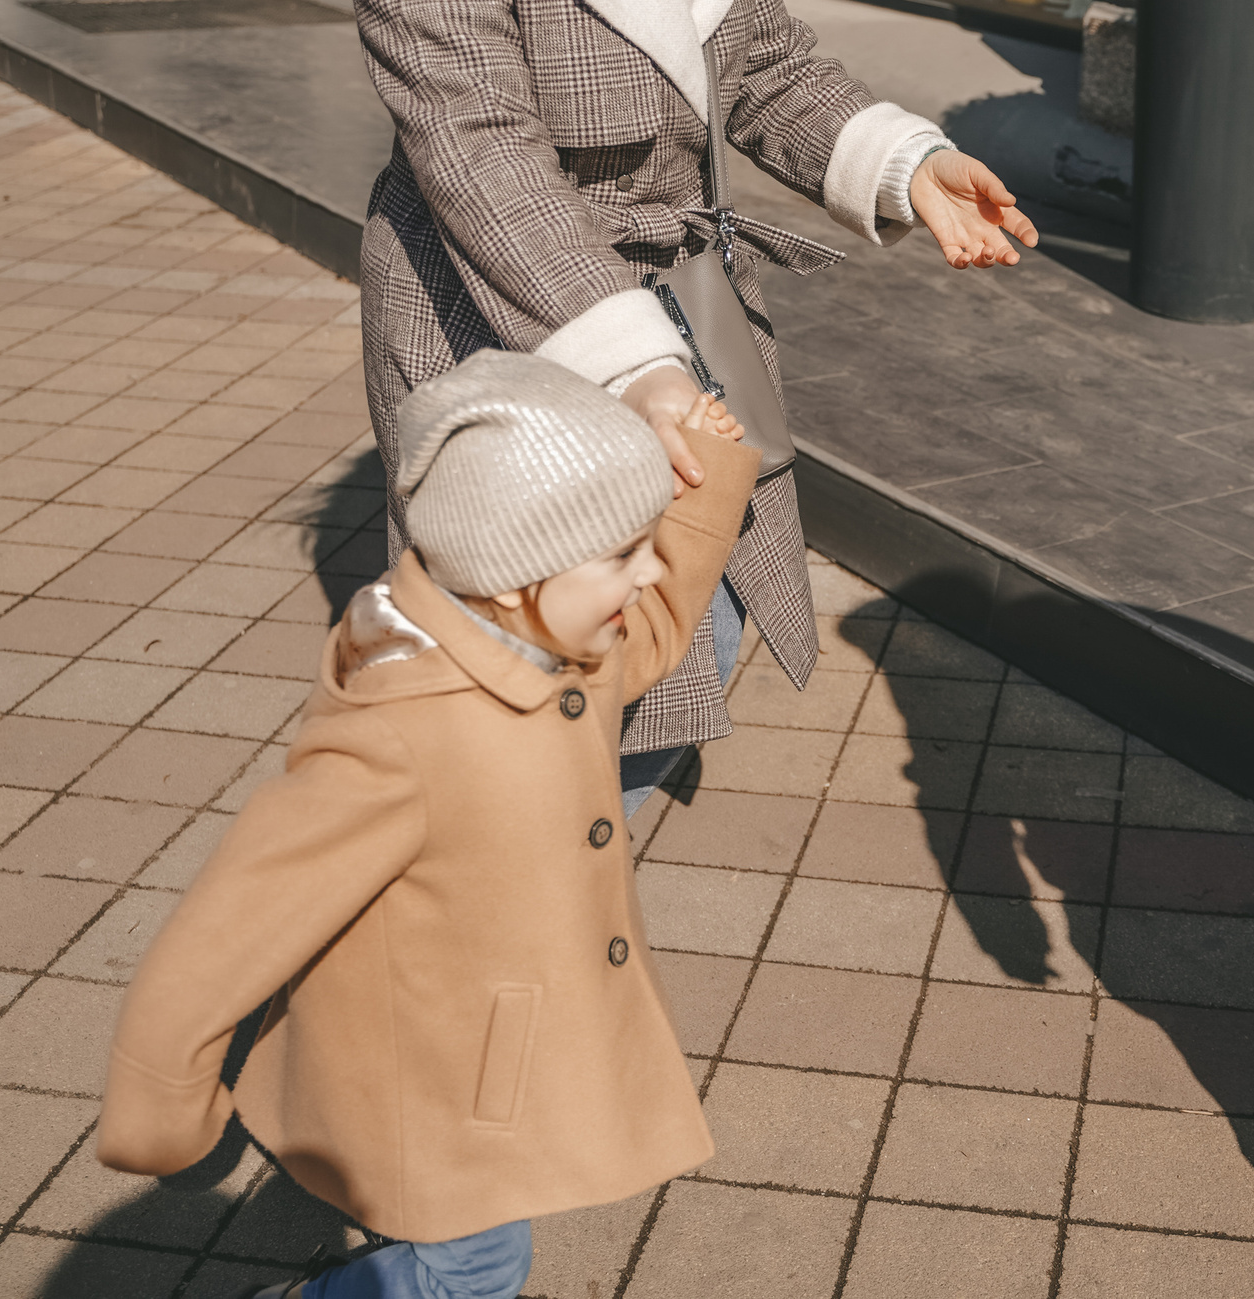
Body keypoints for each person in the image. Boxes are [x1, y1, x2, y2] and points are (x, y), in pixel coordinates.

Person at [288, 0, 1041, 821]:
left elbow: (764, 66)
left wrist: (902, 161)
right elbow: (478, 155)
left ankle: (560, 918)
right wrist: (635, 367)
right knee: (552, 685)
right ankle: (508, 946)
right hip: (511, 317)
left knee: (696, 617)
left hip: (678, 309)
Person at [96, 352, 758, 1299]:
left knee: (471, 1263)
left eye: (649, 541)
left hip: (489, 1055)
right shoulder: (399, 737)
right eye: (622, 553)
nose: (649, 570)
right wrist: (161, 1101)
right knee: (476, 1270)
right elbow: (229, 930)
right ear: (517, 570)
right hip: (431, 1080)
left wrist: (697, 483)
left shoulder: (554, 647)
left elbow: (655, 629)